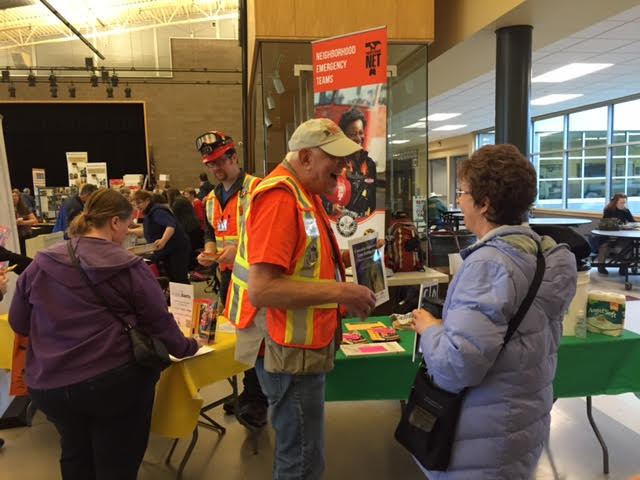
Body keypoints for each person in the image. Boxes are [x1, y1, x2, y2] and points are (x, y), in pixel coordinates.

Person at [410, 144, 577, 480]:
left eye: (463, 193)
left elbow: (457, 367)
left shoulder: (489, 266)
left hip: (479, 440)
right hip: (520, 424)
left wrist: (429, 328)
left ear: (484, 204)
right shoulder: (544, 256)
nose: (458, 200)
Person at [8, 189, 199, 479]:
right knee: (117, 463)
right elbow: (159, 324)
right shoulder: (130, 268)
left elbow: (19, 324)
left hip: (51, 385)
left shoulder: (41, 263)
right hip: (113, 382)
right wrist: (188, 346)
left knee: (75, 454)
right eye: (127, 225)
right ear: (113, 223)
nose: (127, 232)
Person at [226, 118, 377, 479]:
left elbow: (300, 261)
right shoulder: (280, 198)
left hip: (295, 348)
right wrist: (342, 292)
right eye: (334, 158)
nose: (343, 167)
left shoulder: (301, 194)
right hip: (286, 349)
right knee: (303, 459)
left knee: (304, 453)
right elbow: (263, 289)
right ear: (306, 157)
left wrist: (348, 259)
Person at [193, 130, 267, 427]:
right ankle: (250, 392)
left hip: (255, 277)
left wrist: (236, 251)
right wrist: (210, 251)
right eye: (210, 164)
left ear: (234, 157)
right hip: (227, 278)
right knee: (240, 337)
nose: (215, 168)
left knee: (256, 339)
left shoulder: (257, 189)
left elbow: (265, 231)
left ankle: (259, 400)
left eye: (220, 162)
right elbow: (210, 231)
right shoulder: (211, 197)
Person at [323, 107, 377, 218]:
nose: (358, 138)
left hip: (365, 224)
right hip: (341, 225)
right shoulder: (335, 162)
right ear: (344, 136)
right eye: (353, 134)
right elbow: (318, 194)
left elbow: (372, 202)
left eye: (360, 133)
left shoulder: (370, 165)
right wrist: (329, 207)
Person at [131, 190, 191, 284]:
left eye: (139, 203)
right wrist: (129, 231)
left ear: (147, 200)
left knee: (179, 277)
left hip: (176, 248)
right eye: (135, 204)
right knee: (171, 277)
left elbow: (171, 226)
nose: (137, 206)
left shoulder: (157, 211)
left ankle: (184, 298)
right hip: (169, 249)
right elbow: (148, 231)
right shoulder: (149, 212)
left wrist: (163, 240)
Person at [596, 193, 635, 275]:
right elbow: (606, 224)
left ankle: (623, 267)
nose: (623, 204)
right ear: (615, 202)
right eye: (621, 203)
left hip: (622, 236)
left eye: (624, 202)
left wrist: (631, 226)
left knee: (628, 245)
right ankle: (601, 266)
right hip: (609, 236)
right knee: (605, 245)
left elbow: (633, 222)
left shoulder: (626, 211)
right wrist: (620, 226)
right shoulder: (608, 210)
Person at [166, 188, 204, 270]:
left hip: (189, 227)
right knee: (193, 247)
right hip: (194, 226)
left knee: (190, 248)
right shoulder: (182, 199)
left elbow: (174, 217)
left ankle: (190, 267)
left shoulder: (177, 202)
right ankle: (193, 266)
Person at [12, 188, 38, 256]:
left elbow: (34, 220)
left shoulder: (24, 208)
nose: (14, 198)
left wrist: (22, 222)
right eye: (12, 196)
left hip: (25, 235)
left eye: (16, 196)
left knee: (26, 255)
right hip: (13, 238)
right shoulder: (6, 209)